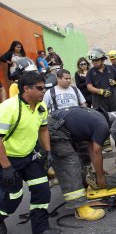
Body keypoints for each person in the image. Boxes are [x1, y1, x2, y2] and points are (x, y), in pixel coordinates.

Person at [0, 72, 62, 234]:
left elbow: (43, 130)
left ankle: (41, 229)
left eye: (45, 88)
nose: (44, 92)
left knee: (42, 191)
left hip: (29, 157)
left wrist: (48, 151)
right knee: (13, 197)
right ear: (26, 88)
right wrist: (6, 167)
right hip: (7, 159)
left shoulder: (41, 108)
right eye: (40, 88)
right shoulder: (9, 108)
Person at [47, 107, 116, 221]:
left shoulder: (97, 117)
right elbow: (96, 151)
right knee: (70, 163)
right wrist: (100, 177)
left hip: (55, 123)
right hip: (56, 128)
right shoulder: (103, 126)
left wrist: (99, 170)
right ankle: (81, 208)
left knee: (74, 160)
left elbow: (92, 149)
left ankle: (53, 173)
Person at [86, 48, 116, 152]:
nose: (94, 63)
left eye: (97, 60)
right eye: (93, 61)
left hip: (113, 98)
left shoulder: (111, 69)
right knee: (102, 120)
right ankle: (106, 141)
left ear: (102, 60)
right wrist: (100, 91)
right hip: (99, 100)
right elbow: (89, 87)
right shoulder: (90, 72)